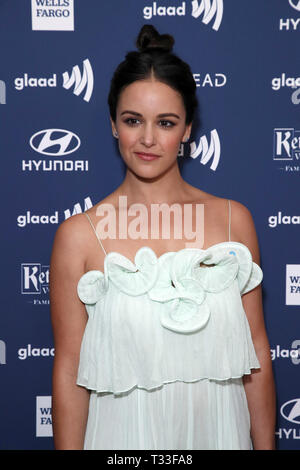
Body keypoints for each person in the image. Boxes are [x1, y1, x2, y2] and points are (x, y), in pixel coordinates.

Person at [50, 24, 276, 450]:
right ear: (114, 124)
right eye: (133, 120)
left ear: (188, 129)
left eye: (166, 122)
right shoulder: (79, 236)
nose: (148, 139)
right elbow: (69, 371)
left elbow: (256, 355)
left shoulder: (234, 222)